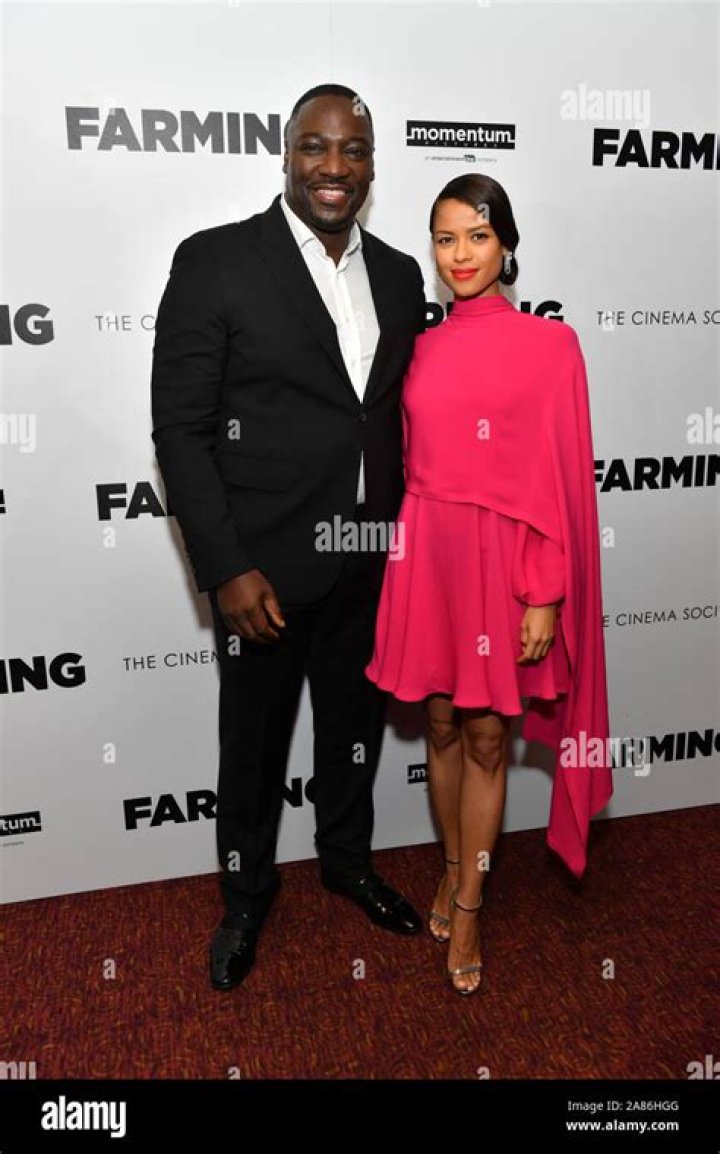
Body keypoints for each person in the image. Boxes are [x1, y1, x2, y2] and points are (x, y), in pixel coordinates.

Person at [151, 84, 426, 991]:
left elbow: (384, 418)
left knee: (352, 731)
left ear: (373, 164)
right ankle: (244, 898)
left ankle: (347, 862)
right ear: (286, 155)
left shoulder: (399, 276)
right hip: (262, 571)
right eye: (316, 146)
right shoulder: (217, 260)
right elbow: (181, 431)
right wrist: (226, 566)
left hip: (369, 562)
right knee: (254, 747)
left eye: (353, 150)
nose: (334, 167)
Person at [365, 174, 613, 995]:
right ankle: (449, 866)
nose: (461, 254)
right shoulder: (418, 347)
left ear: (506, 244)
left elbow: (558, 480)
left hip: (504, 569)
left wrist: (545, 592)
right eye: (445, 238)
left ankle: (470, 903)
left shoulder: (551, 345)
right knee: (439, 727)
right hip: (429, 559)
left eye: (478, 235)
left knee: (484, 738)